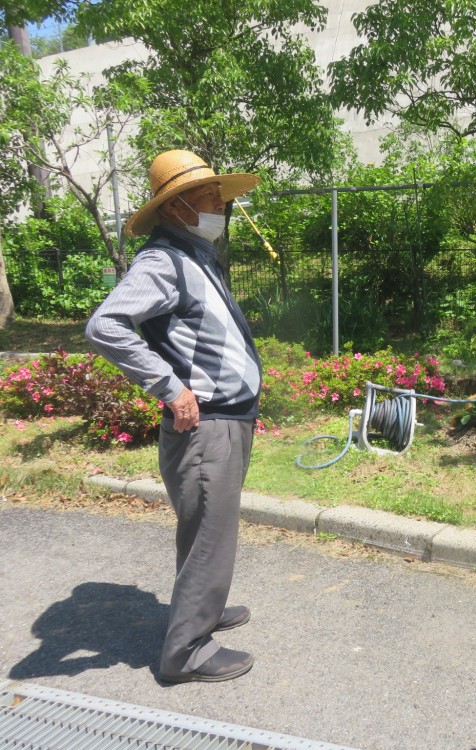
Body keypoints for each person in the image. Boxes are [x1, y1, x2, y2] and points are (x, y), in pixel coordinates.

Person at [86, 150, 263, 684]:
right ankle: (185, 652)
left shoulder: (196, 253)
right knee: (210, 529)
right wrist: (169, 386)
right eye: (209, 197)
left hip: (226, 420)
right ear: (178, 206)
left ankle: (202, 609)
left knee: (206, 524)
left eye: (219, 195)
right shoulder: (162, 260)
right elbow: (104, 326)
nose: (220, 205)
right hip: (206, 425)